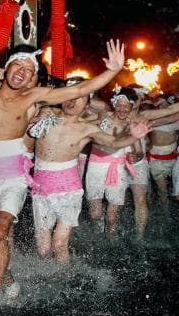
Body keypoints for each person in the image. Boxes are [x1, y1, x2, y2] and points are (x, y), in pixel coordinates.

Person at [0, 40, 125, 316]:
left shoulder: (33, 97)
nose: (23, 72)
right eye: (18, 65)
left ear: (33, 78)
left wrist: (112, 71)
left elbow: (78, 90)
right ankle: (8, 279)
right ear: (6, 67)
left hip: (13, 175)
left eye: (29, 69)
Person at [28, 77, 152, 263]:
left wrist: (133, 137)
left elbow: (113, 142)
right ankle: (48, 275)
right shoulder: (46, 116)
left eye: (79, 97)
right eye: (69, 94)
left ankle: (66, 277)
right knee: (43, 250)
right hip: (41, 189)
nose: (72, 100)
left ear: (87, 104)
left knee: (60, 244)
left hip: (69, 189)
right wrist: (38, 112)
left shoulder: (87, 128)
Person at [86, 85, 179, 239]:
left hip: (130, 163)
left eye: (128, 103)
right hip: (101, 164)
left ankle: (136, 237)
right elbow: (85, 110)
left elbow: (169, 114)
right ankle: (102, 231)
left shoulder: (138, 119)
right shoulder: (105, 115)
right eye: (120, 104)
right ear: (115, 102)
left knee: (135, 202)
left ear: (134, 103)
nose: (123, 107)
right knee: (98, 212)